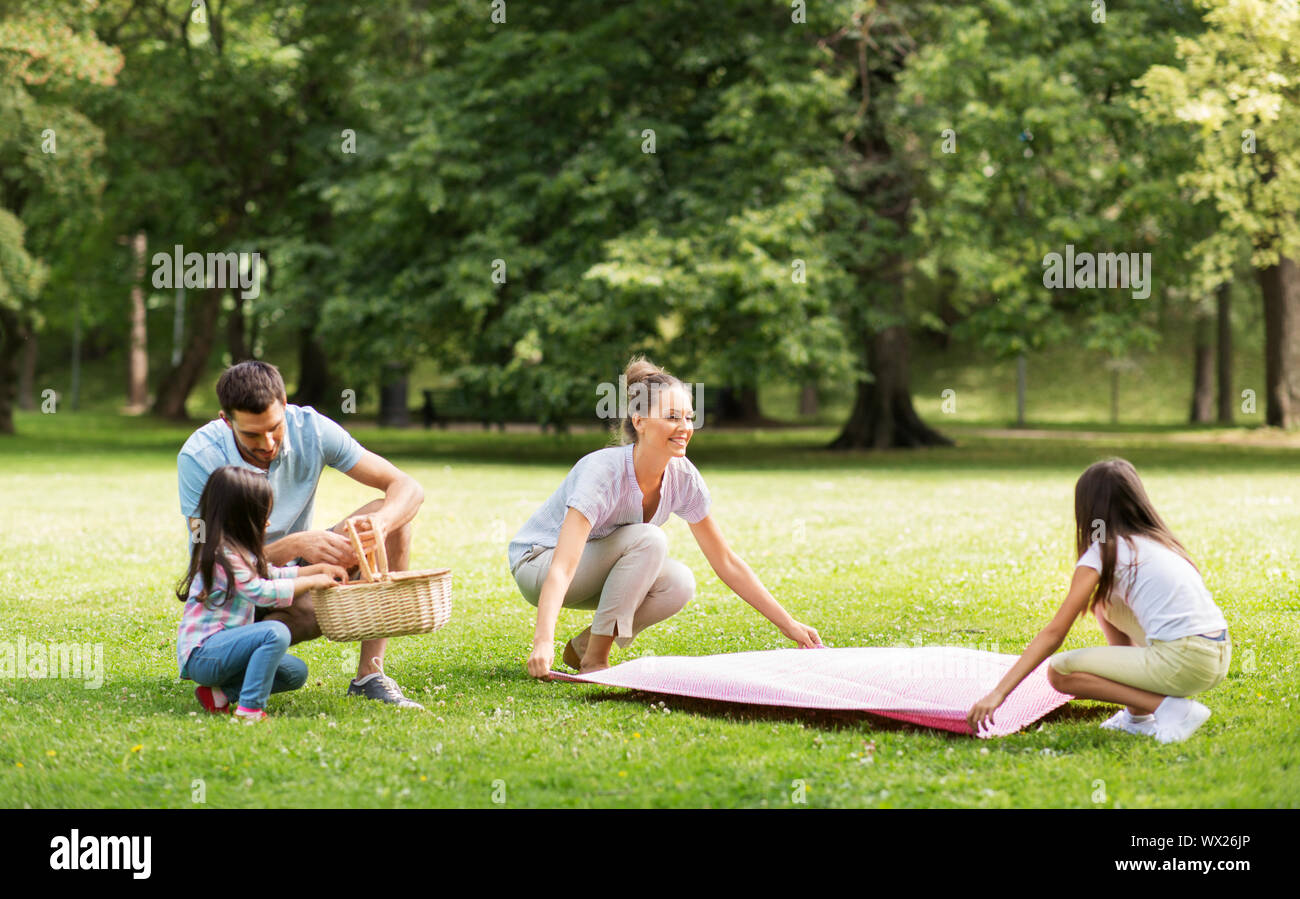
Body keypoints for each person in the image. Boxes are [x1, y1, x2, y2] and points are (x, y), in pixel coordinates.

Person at [510, 356, 822, 678]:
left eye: (689, 417)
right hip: (540, 564)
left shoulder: (683, 477)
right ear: (640, 421)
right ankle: (596, 661)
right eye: (672, 417)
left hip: (591, 567)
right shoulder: (602, 472)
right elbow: (562, 566)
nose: (685, 428)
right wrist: (542, 640)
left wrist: (788, 624)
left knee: (678, 583)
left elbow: (726, 561)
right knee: (650, 539)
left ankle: (585, 648)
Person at [177, 360, 426, 708]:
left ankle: (371, 675)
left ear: (285, 402)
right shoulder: (200, 456)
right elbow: (206, 552)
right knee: (269, 619)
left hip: (288, 577)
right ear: (225, 420)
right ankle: (230, 664)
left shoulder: (312, 428)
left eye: (275, 428)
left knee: (393, 517)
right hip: (237, 596)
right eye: (251, 434)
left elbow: (406, 486)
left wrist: (381, 525)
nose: (267, 443)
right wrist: (292, 545)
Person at [967, 458, 1230, 743]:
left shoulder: (1103, 552)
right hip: (1216, 655)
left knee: (1060, 672)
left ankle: (1170, 709)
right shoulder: (1161, 543)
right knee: (1103, 602)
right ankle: (1137, 716)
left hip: (1182, 661)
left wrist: (998, 693)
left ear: (1088, 510)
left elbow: (1055, 633)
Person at [176, 466, 348, 720]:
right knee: (275, 632)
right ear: (238, 518)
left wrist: (317, 570)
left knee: (293, 671)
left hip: (226, 652)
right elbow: (262, 592)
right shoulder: (222, 555)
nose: (268, 522)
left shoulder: (242, 552)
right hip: (204, 654)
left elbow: (272, 574)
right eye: (262, 515)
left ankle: (219, 695)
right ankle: (250, 709)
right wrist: (314, 583)